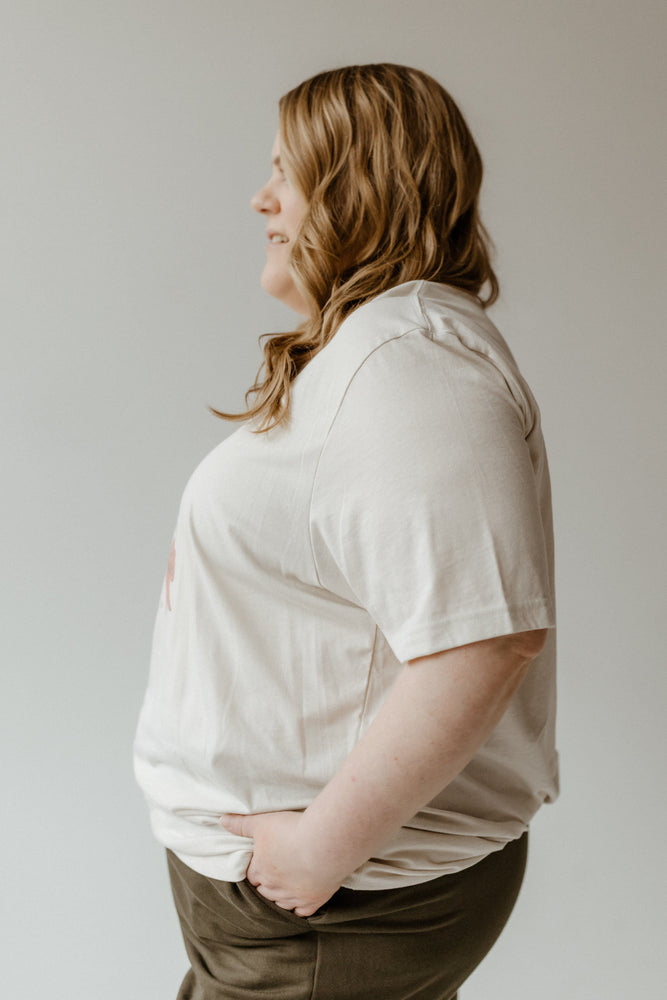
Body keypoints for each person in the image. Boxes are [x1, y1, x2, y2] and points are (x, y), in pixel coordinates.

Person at [133, 63, 558, 1000]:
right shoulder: (381, 351)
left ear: (359, 188)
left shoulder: (414, 372)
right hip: (311, 905)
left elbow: (484, 642)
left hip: (337, 904)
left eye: (287, 171)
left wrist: (319, 850)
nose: (261, 198)